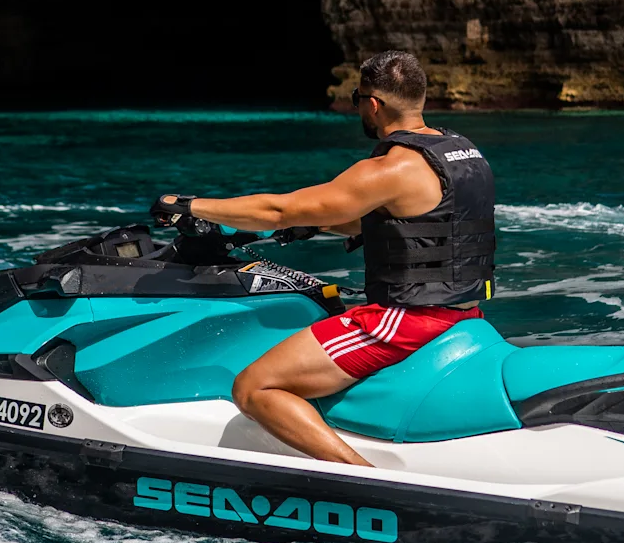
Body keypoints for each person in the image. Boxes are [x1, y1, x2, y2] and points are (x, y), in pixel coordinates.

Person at [150, 50, 495, 466]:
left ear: (372, 103)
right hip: (464, 309)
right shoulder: (461, 152)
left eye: (357, 99)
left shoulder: (392, 167)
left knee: (254, 386)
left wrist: (190, 206)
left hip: (405, 320)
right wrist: (313, 226)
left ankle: (368, 480)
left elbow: (278, 209)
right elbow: (416, 222)